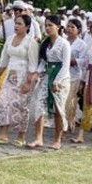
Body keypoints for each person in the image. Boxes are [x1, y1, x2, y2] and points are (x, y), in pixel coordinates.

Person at [0, 14, 39, 146]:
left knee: (21, 106)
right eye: (15, 23)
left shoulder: (31, 42)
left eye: (20, 24)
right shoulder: (10, 39)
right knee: (3, 103)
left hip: (24, 76)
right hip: (9, 75)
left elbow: (33, 65)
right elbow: (4, 59)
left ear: (27, 26)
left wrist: (28, 83)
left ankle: (21, 136)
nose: (16, 26)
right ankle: (3, 134)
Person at [30, 15, 70, 149]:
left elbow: (65, 65)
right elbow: (43, 62)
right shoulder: (45, 44)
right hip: (47, 76)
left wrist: (58, 81)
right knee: (39, 105)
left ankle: (57, 140)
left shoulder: (64, 43)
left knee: (58, 107)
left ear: (58, 27)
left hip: (60, 79)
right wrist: (37, 73)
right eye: (46, 25)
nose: (47, 28)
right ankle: (38, 138)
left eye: (50, 25)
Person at [64, 18, 86, 132]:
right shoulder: (62, 41)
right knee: (62, 101)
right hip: (62, 75)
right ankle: (66, 122)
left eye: (72, 27)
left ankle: (69, 124)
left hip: (75, 76)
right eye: (68, 26)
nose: (69, 29)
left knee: (70, 102)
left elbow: (84, 61)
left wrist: (74, 61)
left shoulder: (82, 44)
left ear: (79, 30)